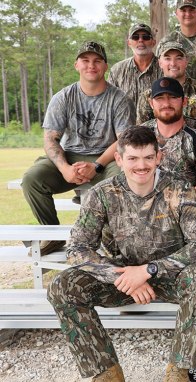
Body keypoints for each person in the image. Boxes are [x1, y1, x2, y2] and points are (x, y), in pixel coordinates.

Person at [47, 125, 196, 382]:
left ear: (159, 157)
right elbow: (77, 249)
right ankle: (106, 372)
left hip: (170, 277)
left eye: (148, 158)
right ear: (120, 160)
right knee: (62, 286)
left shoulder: (178, 189)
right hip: (123, 279)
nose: (141, 165)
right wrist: (122, 275)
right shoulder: (102, 193)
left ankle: (179, 372)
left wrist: (147, 271)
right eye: (133, 159)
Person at [22, 42, 134, 255]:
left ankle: (110, 239)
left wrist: (97, 166)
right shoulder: (63, 97)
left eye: (97, 61)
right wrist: (64, 168)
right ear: (76, 65)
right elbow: (50, 139)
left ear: (105, 66)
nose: (91, 65)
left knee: (122, 179)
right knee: (32, 179)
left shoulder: (119, 99)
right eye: (85, 60)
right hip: (71, 155)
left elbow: (123, 140)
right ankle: (52, 234)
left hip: (106, 158)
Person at [142, 77, 196, 227]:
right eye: (160, 98)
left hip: (190, 203)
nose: (166, 104)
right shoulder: (141, 135)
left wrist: (170, 206)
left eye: (173, 97)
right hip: (148, 202)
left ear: (184, 102)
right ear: (151, 104)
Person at [135, 41, 196, 128]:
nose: (173, 63)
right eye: (167, 58)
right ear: (160, 63)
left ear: (186, 61)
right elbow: (141, 133)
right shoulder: (148, 96)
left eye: (178, 58)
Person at [108, 23, 162, 104]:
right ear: (129, 43)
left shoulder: (164, 68)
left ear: (153, 42)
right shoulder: (117, 70)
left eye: (146, 37)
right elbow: (109, 101)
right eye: (135, 37)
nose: (140, 40)